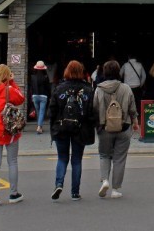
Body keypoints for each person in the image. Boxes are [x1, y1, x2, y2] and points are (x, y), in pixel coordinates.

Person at [48, 60, 95, 201]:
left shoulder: (59, 88)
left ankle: (59, 183)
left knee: (62, 158)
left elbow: (52, 110)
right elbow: (92, 112)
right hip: (80, 129)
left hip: (61, 127)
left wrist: (52, 128)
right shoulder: (88, 90)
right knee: (76, 160)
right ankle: (75, 192)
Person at [94, 59, 138, 199]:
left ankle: (105, 179)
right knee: (119, 158)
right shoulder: (126, 88)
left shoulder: (99, 89)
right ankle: (116, 189)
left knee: (104, 154)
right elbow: (132, 108)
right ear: (118, 72)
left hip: (104, 127)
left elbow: (94, 108)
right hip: (123, 127)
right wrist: (135, 122)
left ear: (105, 72)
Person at [0, 64, 26, 207]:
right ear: (6, 75)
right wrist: (12, 82)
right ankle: (13, 193)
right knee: (12, 162)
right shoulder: (8, 89)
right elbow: (20, 98)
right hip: (9, 129)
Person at [31, 61, 50, 134]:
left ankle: (39, 126)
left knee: (38, 112)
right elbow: (48, 88)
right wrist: (49, 96)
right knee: (42, 112)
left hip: (35, 96)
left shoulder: (32, 77)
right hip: (43, 96)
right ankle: (39, 127)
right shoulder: (46, 77)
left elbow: (31, 88)